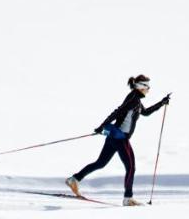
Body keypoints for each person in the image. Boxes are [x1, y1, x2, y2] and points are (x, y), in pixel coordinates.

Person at [66, 75, 170, 206]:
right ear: (141, 86)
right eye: (147, 86)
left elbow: (145, 112)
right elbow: (118, 111)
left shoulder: (136, 100)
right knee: (131, 167)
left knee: (100, 163)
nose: (149, 89)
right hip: (121, 138)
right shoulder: (133, 99)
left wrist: (162, 103)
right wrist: (102, 126)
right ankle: (128, 198)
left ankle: (74, 179)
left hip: (114, 137)